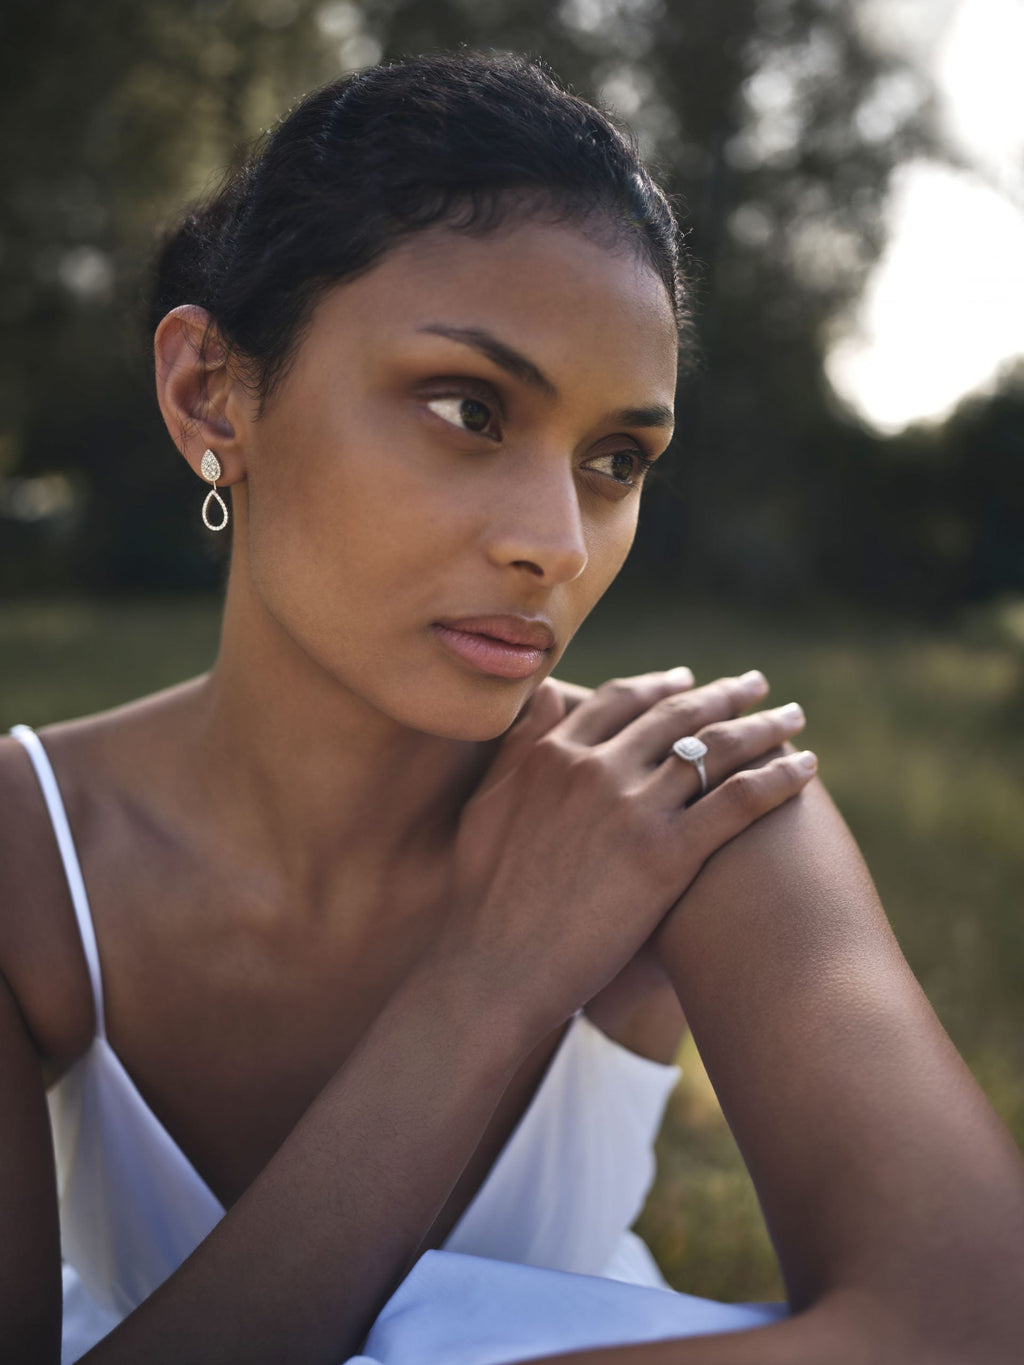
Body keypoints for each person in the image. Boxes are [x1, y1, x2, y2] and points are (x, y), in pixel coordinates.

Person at [0, 50, 1021, 1365]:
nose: (559, 542)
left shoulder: (696, 810)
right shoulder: (30, 862)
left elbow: (972, 1324)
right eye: (468, 407)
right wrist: (489, 980)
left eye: (616, 460)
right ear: (212, 391)